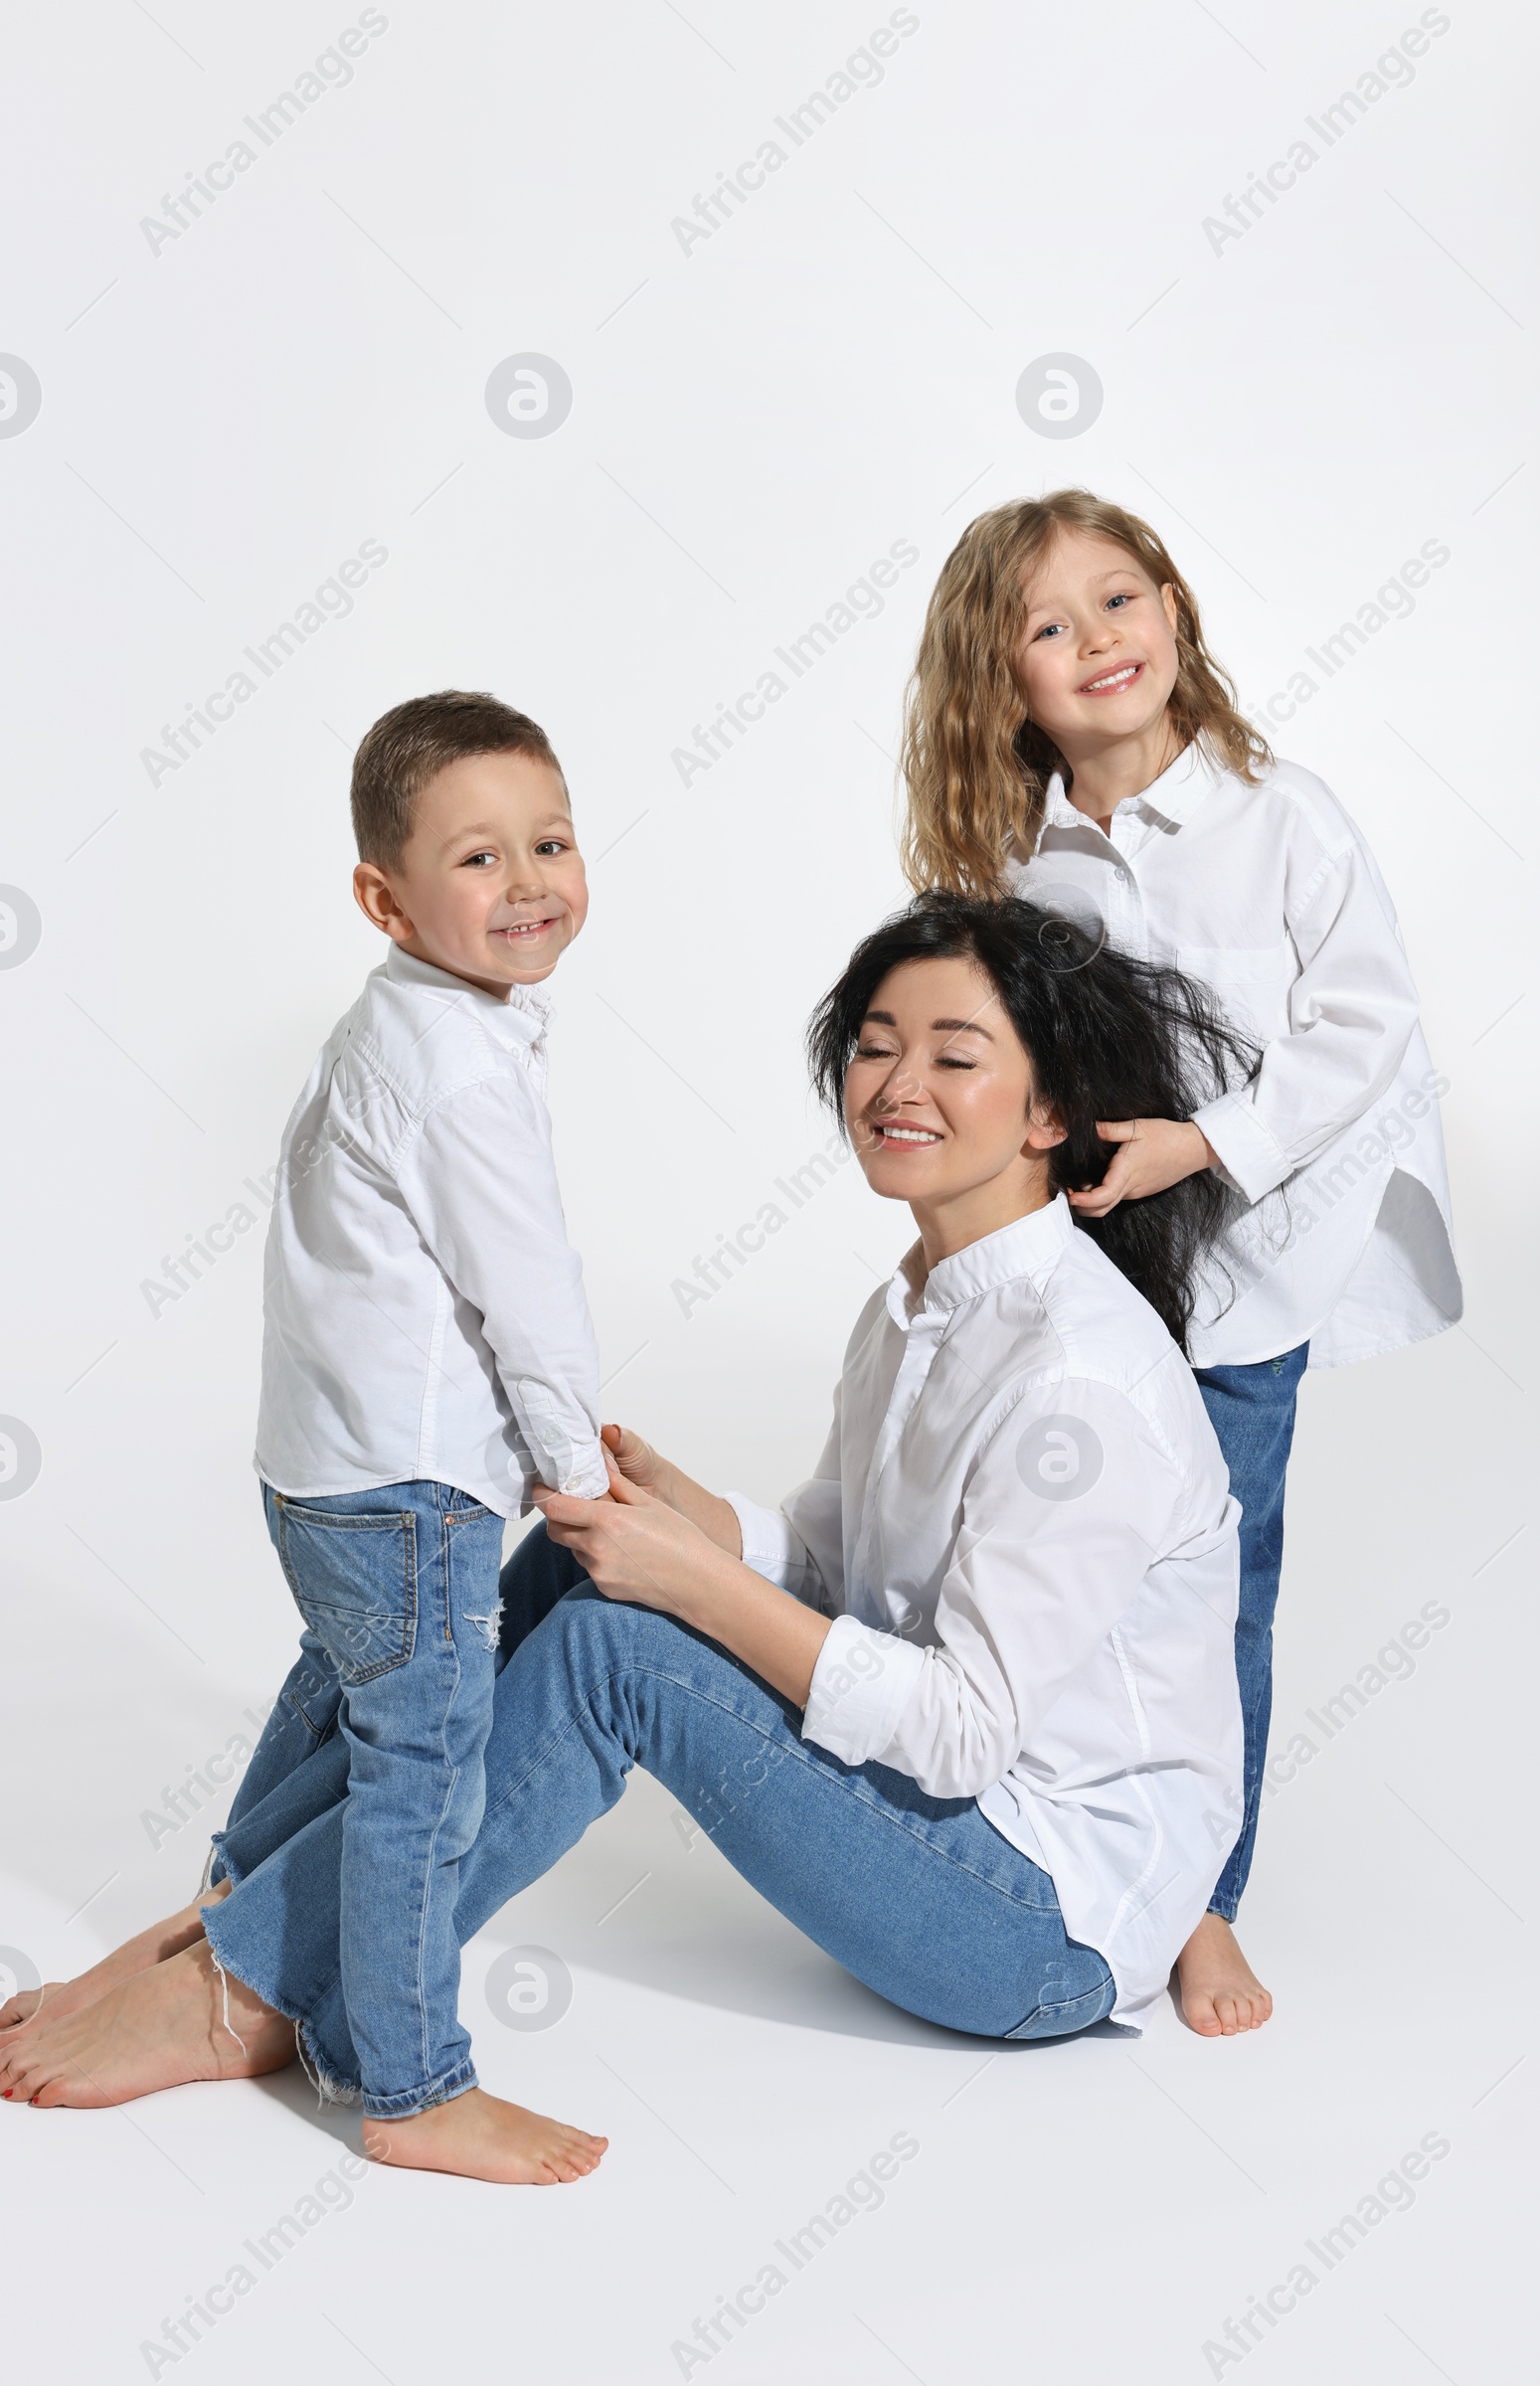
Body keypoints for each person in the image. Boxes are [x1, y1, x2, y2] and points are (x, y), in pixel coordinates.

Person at [2, 896, 1255, 2171]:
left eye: (954, 1054)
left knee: (623, 1653)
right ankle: (226, 1928)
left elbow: (958, 1731)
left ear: (1049, 1115)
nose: (898, 1083)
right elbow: (836, 1566)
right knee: (574, 1554)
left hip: (1042, 1927)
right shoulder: (913, 1307)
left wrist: (691, 1583)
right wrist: (682, 1516)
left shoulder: (1078, 1387)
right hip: (963, 1834)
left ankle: (248, 1989)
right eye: (877, 1044)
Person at [900, 488, 1462, 2036]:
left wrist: (1204, 1144)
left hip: (1245, 1280)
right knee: (1058, 1562)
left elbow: (1368, 1026)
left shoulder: (1283, 816)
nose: (1097, 641)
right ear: (998, 678)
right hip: (1087, 1281)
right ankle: (1052, 1840)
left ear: (1175, 611)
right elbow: (989, 1069)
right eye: (1049, 625)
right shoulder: (1025, 868)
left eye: (1120, 600)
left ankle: (1205, 1899)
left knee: (1221, 1589)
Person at [235, 688, 612, 2182]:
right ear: (383, 896)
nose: (527, 882)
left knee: (343, 1693)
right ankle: (409, 2081)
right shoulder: (458, 1068)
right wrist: (576, 1478)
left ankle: (227, 1911)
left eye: (551, 841)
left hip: (322, 1469)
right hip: (405, 1493)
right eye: (479, 859)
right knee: (428, 1767)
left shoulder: (407, 1022)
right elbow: (531, 1302)